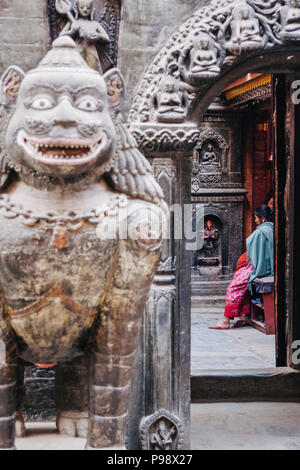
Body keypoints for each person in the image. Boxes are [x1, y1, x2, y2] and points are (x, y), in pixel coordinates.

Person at [209, 205, 274, 329]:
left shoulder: (261, 232)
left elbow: (252, 251)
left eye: (256, 218)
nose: (255, 221)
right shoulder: (271, 228)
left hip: (261, 268)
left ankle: (226, 320)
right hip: (267, 266)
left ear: (263, 218)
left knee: (234, 286)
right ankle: (244, 315)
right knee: (240, 275)